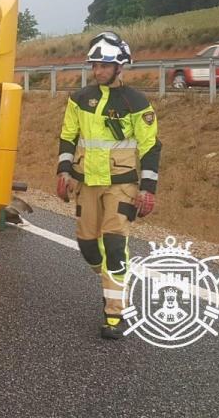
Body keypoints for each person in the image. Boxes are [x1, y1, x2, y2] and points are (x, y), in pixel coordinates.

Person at [56, 32, 161, 339]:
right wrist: (65, 171)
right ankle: (108, 280)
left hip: (122, 185)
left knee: (115, 247)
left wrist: (148, 188)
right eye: (95, 65)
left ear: (119, 67)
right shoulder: (79, 99)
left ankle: (114, 314)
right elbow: (67, 136)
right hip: (86, 184)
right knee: (88, 246)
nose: (97, 71)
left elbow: (150, 147)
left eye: (104, 65)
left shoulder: (136, 102)